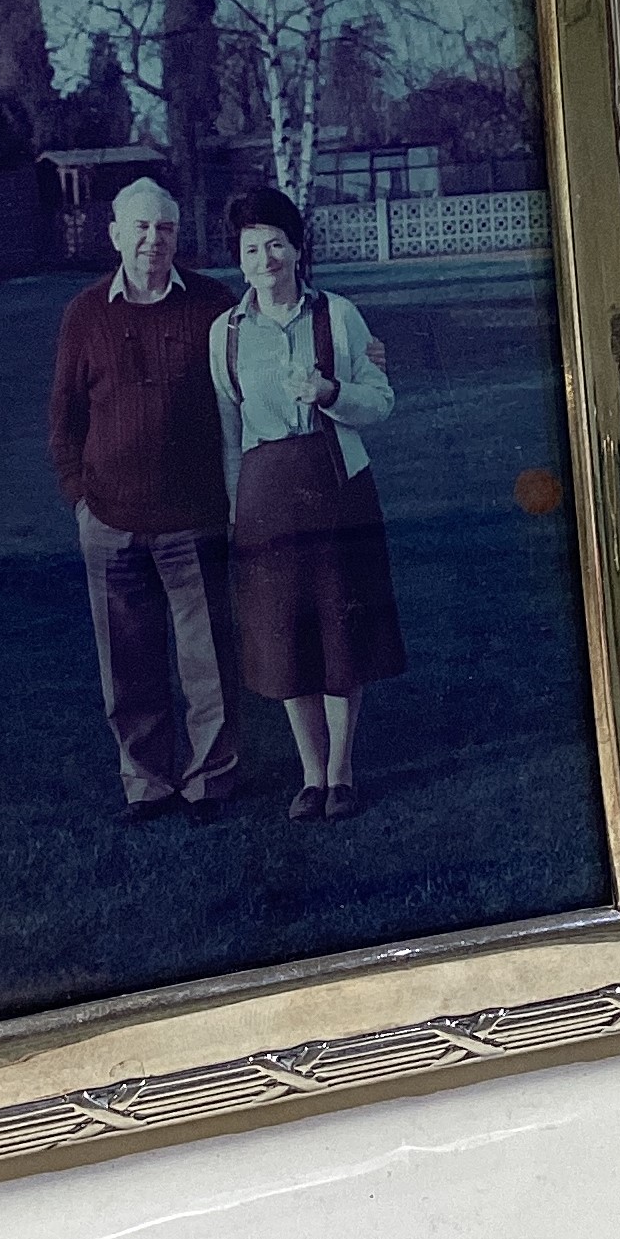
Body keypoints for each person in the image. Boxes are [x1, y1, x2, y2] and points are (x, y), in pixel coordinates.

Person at [210, 186, 405, 823]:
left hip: (336, 487)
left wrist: (331, 391)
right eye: (251, 248)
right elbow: (228, 427)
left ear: (296, 250)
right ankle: (309, 774)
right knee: (282, 636)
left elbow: (380, 401)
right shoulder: (227, 334)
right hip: (266, 497)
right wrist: (237, 507)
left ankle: (343, 772)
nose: (265, 258)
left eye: (275, 244)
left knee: (341, 633)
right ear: (238, 260)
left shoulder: (338, 316)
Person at [49, 178, 239, 824]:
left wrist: (359, 353)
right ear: (115, 234)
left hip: (194, 518)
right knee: (127, 666)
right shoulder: (85, 314)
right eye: (140, 227)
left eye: (164, 229)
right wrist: (80, 500)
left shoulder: (214, 303)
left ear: (177, 236)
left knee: (206, 660)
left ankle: (209, 779)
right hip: (110, 520)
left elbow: (265, 359)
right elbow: (64, 418)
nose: (152, 240)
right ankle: (146, 782)